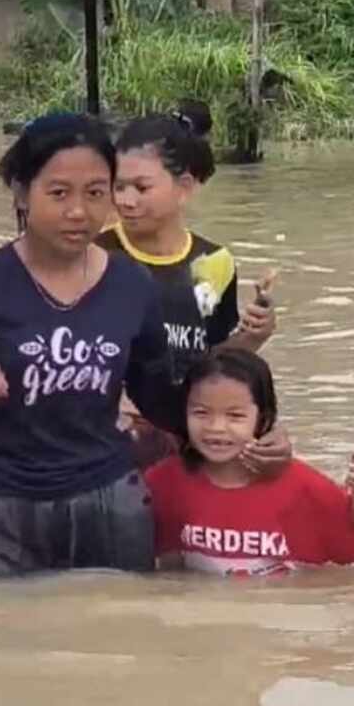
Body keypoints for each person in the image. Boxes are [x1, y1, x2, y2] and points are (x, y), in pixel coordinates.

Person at [0, 114, 185, 577]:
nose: (79, 212)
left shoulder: (132, 284)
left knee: (123, 637)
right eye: (59, 193)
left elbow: (161, 400)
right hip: (1, 511)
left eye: (96, 193)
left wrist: (246, 419)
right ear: (23, 193)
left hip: (111, 503)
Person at [98, 103, 278, 466]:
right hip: (109, 441)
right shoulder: (97, 255)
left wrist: (252, 338)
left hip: (188, 440)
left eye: (141, 187)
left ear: (184, 187)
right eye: (118, 186)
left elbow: (212, 362)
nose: (125, 200)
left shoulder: (215, 263)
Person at [145, 349, 354, 576]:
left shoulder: (299, 483)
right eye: (201, 413)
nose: (216, 428)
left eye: (235, 416)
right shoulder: (165, 482)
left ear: (263, 419)